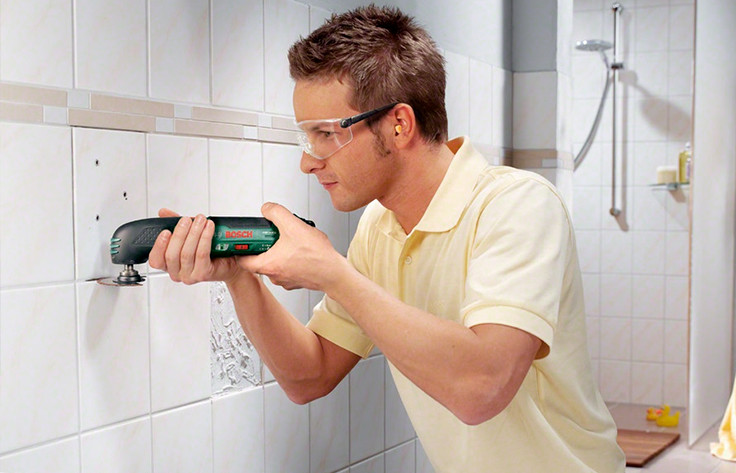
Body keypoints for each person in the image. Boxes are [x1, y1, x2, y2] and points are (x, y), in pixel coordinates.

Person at [149, 5, 625, 472]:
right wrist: (239, 279)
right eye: (305, 137)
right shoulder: (381, 228)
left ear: (398, 125)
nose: (308, 161)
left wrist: (333, 273)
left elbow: (482, 388)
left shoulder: (517, 205)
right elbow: (309, 375)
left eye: (325, 134)